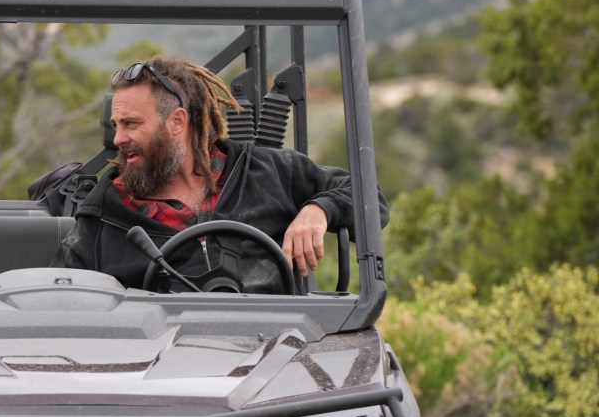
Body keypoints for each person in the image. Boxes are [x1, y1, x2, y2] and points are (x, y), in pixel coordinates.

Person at [51, 55, 389, 292]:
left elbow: (370, 199)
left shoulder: (268, 172)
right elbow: (61, 301)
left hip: (275, 357)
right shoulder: (103, 215)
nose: (118, 139)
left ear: (177, 122)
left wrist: (320, 209)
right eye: (116, 125)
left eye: (131, 124)